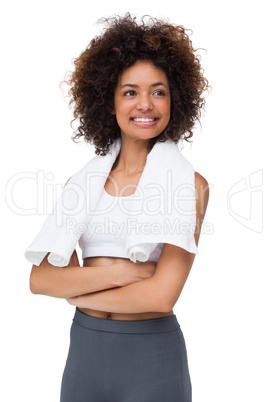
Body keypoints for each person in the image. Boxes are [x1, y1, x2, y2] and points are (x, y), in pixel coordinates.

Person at [29, 13, 210, 402]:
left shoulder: (189, 186)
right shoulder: (80, 184)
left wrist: (77, 296)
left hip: (152, 360)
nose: (145, 104)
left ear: (175, 99)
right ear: (108, 101)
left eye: (158, 91)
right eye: (130, 91)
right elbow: (41, 280)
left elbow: (160, 296)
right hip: (84, 357)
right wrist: (130, 271)